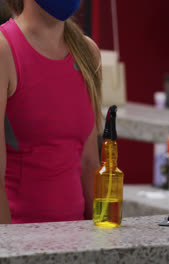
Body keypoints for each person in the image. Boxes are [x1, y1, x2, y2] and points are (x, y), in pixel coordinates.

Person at [0, 0, 101, 224]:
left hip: (77, 245)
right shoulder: (4, 50)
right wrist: (11, 253)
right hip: (21, 243)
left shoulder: (87, 53)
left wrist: (104, 246)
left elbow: (90, 163)